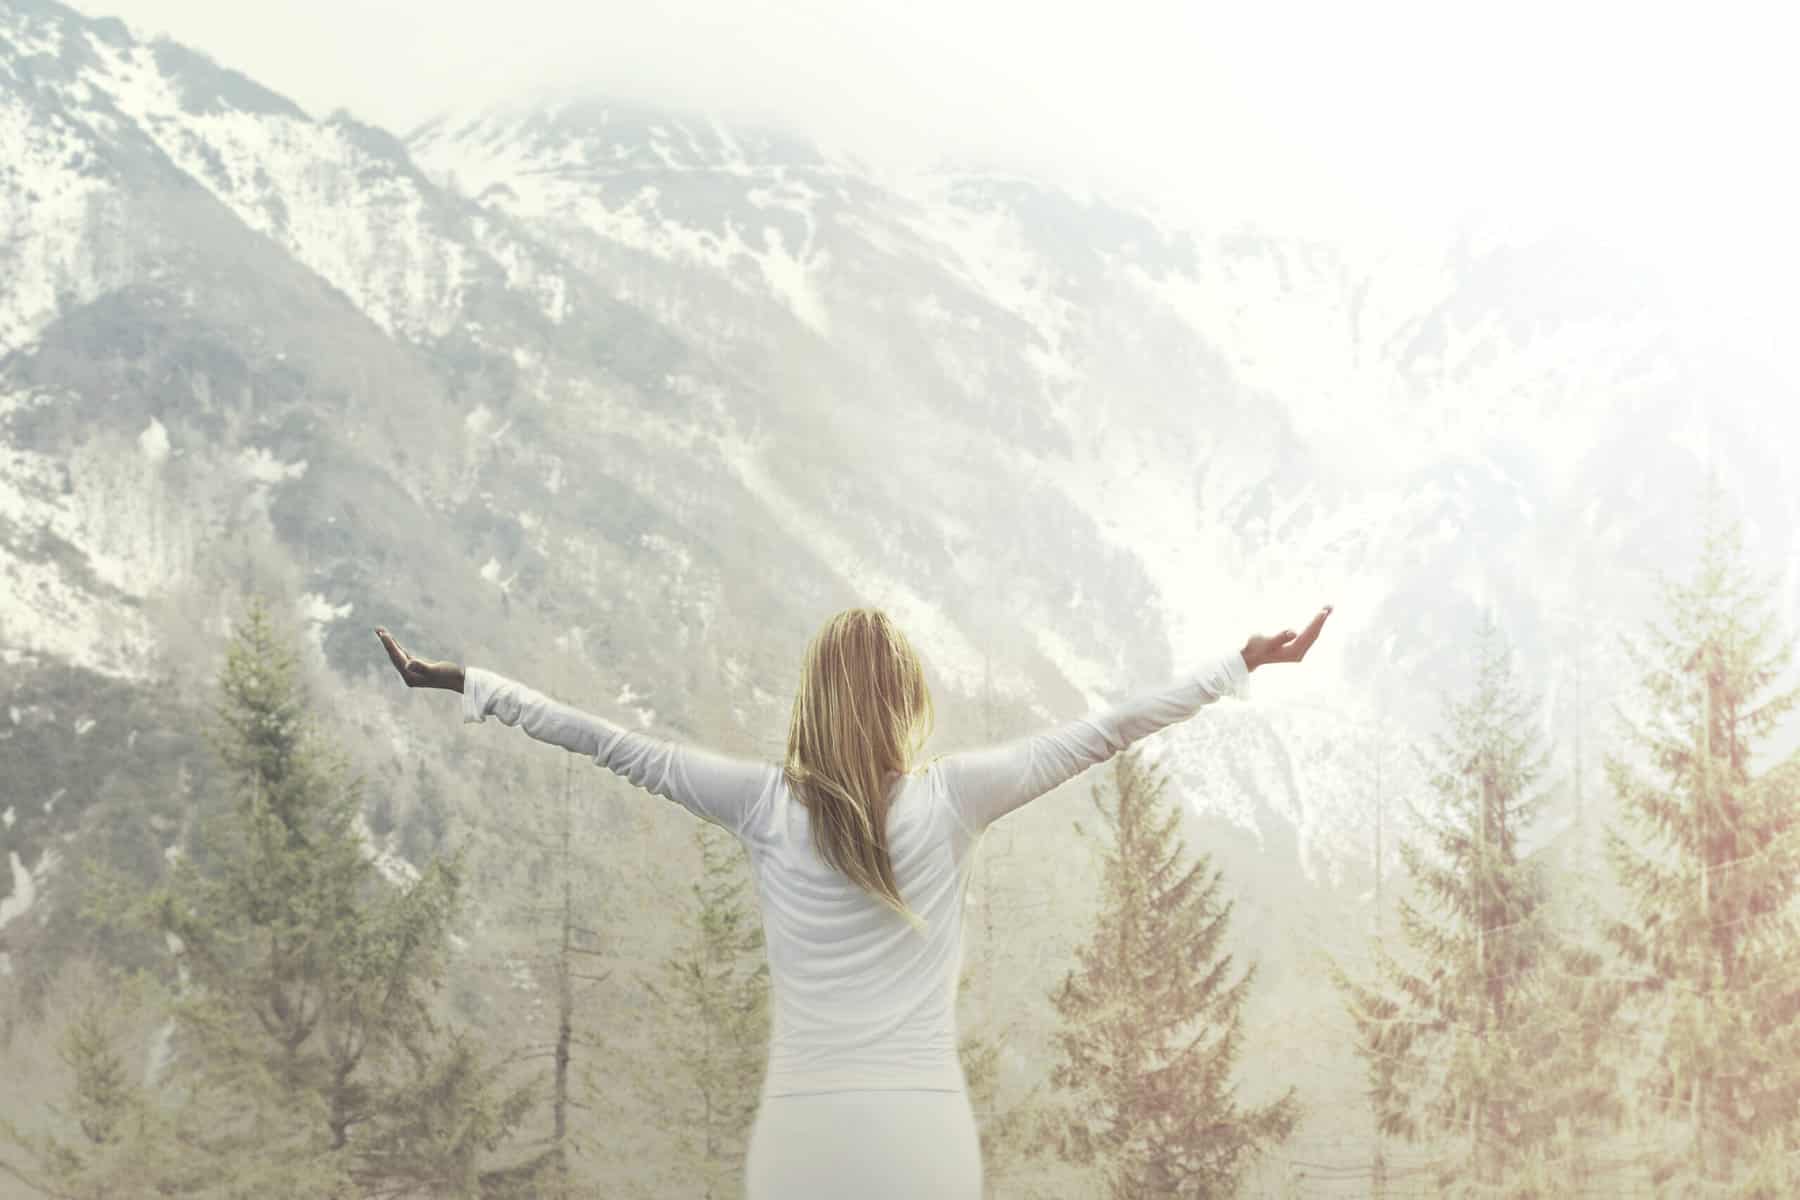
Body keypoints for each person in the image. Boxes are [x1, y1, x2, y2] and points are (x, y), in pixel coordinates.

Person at [375, 603, 1331, 1198]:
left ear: (810, 701)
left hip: (802, 1138)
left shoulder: (756, 804)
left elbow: (600, 738)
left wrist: (463, 681)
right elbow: (1106, 731)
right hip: (921, 1133)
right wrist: (1236, 667)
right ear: (905, 698)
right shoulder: (955, 797)